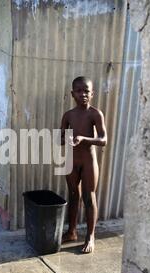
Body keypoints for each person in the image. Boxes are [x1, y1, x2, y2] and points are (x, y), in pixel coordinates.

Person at [60, 76, 107, 253]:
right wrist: (67, 138)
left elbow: (103, 140)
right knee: (73, 195)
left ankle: (90, 236)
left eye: (86, 91)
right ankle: (71, 232)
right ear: (73, 94)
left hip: (88, 162)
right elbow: (60, 140)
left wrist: (84, 139)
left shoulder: (95, 114)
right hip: (72, 161)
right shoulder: (68, 115)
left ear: (92, 93)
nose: (83, 94)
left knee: (89, 197)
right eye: (79, 91)